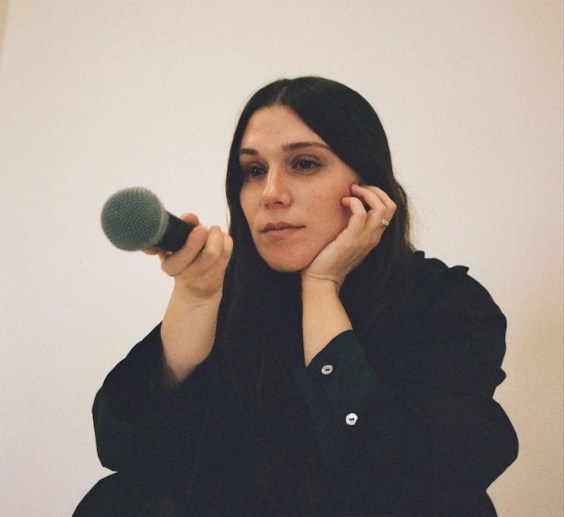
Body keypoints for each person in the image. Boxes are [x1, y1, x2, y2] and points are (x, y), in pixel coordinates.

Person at [75, 77, 518, 516]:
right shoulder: (233, 295)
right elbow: (123, 449)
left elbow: (405, 480)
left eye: (304, 164)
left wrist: (322, 287)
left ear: (368, 188)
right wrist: (194, 299)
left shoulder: (445, 303)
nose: (271, 194)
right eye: (254, 171)